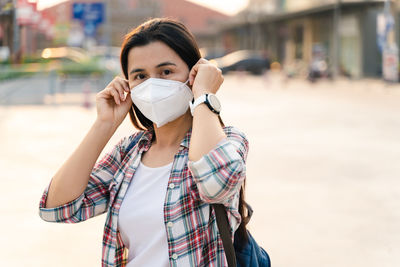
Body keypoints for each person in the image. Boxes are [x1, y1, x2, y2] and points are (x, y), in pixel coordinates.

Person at [38, 18, 249, 267]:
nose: (152, 84)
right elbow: (56, 208)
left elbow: (217, 185)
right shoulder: (129, 152)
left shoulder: (228, 140)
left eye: (166, 72)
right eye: (140, 76)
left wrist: (204, 96)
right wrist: (104, 125)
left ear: (193, 74)